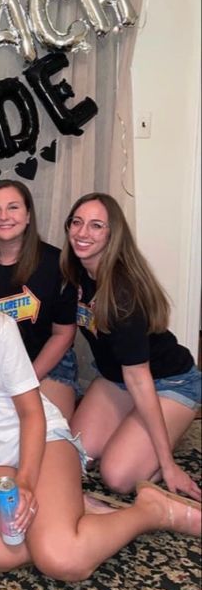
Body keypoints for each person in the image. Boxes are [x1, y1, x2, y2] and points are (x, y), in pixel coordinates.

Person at [0, 234, 201, 581]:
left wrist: (26, 480)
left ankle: (151, 511)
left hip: (40, 441)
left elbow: (31, 413)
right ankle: (64, 517)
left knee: (62, 560)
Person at [61, 192, 202, 499]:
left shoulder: (122, 292)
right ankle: (139, 434)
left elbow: (139, 378)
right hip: (116, 380)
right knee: (74, 453)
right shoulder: (77, 274)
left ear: (113, 235)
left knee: (118, 477)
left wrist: (167, 465)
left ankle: (162, 442)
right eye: (77, 222)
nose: (83, 233)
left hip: (167, 382)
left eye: (96, 226)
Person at [0, 179, 78, 420]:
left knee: (47, 427)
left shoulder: (56, 263)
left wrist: (27, 379)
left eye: (13, 207)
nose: (4, 216)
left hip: (46, 364)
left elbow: (64, 334)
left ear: (28, 215)